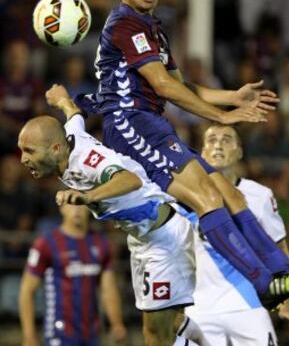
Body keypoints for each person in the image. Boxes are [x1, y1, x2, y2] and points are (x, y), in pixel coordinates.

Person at [74, 0, 289, 310]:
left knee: (229, 194)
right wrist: (220, 117)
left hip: (152, 123)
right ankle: (264, 283)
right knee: (207, 198)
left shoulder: (152, 29)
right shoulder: (125, 23)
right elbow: (162, 87)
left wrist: (233, 97)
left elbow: (182, 85)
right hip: (130, 123)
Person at [18, 84, 199, 346]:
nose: (23, 158)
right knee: (167, 327)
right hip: (143, 240)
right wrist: (62, 100)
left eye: (30, 151)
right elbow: (75, 117)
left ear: (55, 149)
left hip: (164, 237)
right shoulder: (67, 141)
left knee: (156, 337)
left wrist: (88, 197)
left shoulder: (87, 160)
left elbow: (129, 180)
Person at [180, 124, 289, 346]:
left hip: (247, 305)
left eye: (226, 139)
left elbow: (278, 250)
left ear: (239, 151)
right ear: (202, 151)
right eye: (211, 140)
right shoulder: (184, 194)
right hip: (199, 307)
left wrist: (286, 306)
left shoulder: (260, 195)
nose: (218, 144)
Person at [19, 202, 127, 346]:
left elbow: (108, 289)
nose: (77, 209)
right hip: (58, 332)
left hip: (92, 334)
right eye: (71, 204)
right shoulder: (45, 244)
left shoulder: (101, 244)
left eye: (81, 204)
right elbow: (27, 290)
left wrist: (117, 324)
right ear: (61, 208)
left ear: (89, 208)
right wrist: (29, 335)